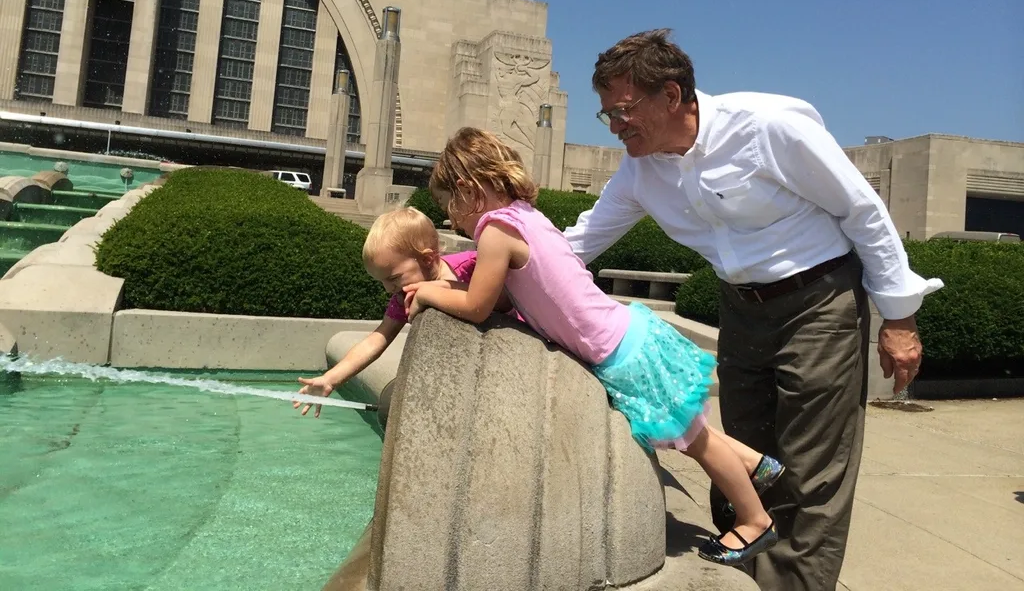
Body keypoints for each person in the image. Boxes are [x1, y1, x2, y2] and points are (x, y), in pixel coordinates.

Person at [562, 29, 944, 589]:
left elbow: (862, 210)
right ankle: (744, 575)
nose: (616, 127)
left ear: (671, 96)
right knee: (744, 456)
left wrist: (900, 319)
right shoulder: (641, 171)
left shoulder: (766, 126)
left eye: (622, 111)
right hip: (739, 308)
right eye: (608, 116)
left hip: (820, 303)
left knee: (812, 472)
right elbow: (579, 242)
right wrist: (479, 267)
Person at [403, 127, 786, 567]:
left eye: (449, 204)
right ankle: (756, 464)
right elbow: (514, 296)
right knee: (684, 424)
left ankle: (756, 521)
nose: (452, 219)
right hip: (626, 335)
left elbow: (476, 306)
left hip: (621, 353)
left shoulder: (495, 231)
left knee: (694, 441)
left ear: (468, 190)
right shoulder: (526, 216)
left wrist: (429, 292)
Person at [293, 207, 479, 417]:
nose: (388, 289)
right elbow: (377, 339)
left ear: (427, 259)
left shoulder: (471, 268)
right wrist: (331, 378)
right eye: (382, 281)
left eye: (393, 278)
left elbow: (496, 297)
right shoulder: (402, 296)